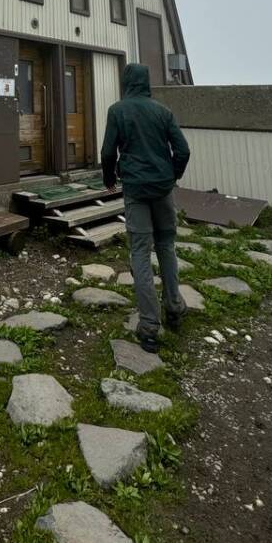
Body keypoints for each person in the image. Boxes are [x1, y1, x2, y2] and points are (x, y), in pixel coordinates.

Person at [101, 63, 191, 352]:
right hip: (163, 188)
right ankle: (174, 306)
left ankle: (149, 326)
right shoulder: (162, 112)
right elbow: (183, 150)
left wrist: (109, 177)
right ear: (147, 82)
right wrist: (173, 174)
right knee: (166, 246)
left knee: (140, 251)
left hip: (136, 190)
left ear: (126, 83)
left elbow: (107, 152)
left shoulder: (118, 111)